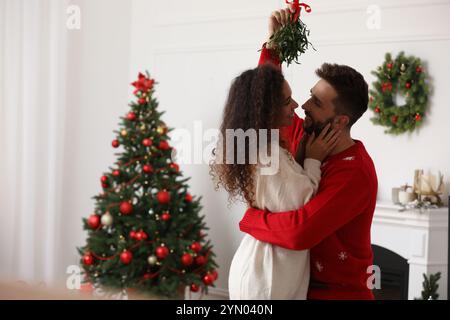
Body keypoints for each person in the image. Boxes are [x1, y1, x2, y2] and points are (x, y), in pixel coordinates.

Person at [238, 7, 378, 300]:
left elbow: (299, 233)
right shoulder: (306, 133)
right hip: (299, 287)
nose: (302, 106)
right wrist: (273, 47)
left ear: (340, 121)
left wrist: (251, 221)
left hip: (337, 295)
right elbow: (268, 107)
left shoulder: (355, 173)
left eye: (316, 101)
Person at [210, 64, 341, 299]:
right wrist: (313, 159)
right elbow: (305, 204)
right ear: (266, 110)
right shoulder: (268, 153)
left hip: (265, 269)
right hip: (267, 277)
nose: (296, 106)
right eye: (286, 101)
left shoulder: (261, 147)